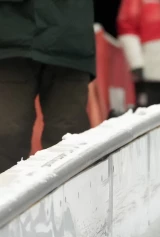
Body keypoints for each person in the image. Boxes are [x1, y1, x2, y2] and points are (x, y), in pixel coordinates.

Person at [0, 0, 94, 174]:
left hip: (70, 39)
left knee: (69, 141)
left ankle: (74, 200)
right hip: (10, 39)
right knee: (6, 137)